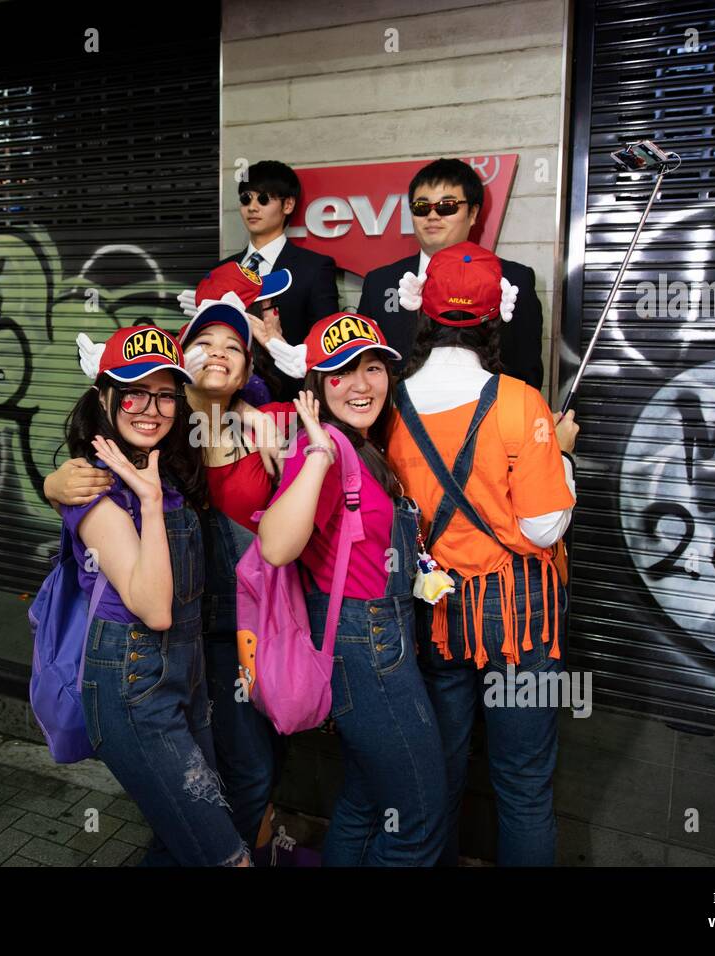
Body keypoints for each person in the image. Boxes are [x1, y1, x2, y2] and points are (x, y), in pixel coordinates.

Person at [46, 285, 296, 858]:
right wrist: (57, 485)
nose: (149, 408)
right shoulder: (107, 473)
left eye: (162, 395)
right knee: (210, 827)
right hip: (147, 664)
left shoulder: (196, 443)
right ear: (105, 397)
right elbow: (145, 594)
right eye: (132, 395)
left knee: (207, 810)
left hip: (217, 652)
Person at [384, 242, 579, 866]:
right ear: (496, 318)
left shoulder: (388, 404)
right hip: (522, 619)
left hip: (436, 612)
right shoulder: (521, 402)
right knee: (522, 783)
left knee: (437, 774)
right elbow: (546, 526)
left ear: (424, 315)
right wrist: (564, 455)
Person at [257, 311, 447, 866]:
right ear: (315, 386)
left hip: (382, 639)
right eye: (340, 373)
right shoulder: (324, 449)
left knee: (367, 801)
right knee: (420, 819)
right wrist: (315, 452)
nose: (361, 385)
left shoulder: (362, 444)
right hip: (364, 648)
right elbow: (275, 546)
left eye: (372, 368)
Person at [357, 158, 544, 389]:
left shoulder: (514, 279)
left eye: (447, 206)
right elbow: (363, 363)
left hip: (485, 417)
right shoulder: (379, 282)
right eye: (421, 207)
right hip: (398, 418)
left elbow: (526, 372)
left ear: (473, 213)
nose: (432, 216)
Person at [213, 160, 340, 398]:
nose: (252, 207)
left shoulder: (314, 268)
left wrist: (281, 345)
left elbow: (326, 345)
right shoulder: (223, 269)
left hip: (289, 399)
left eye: (263, 199)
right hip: (224, 400)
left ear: (288, 204)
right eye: (246, 199)